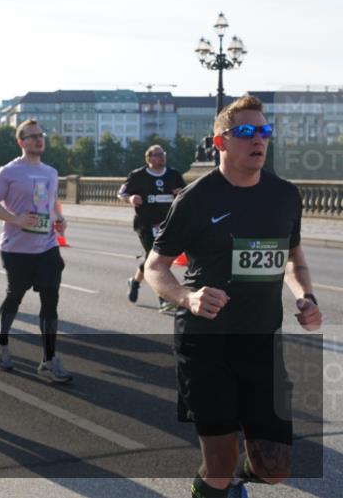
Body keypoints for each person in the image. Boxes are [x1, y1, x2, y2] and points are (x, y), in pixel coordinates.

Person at [144, 95, 321, 498]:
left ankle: (236, 479)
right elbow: (155, 266)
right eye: (245, 131)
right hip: (207, 343)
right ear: (220, 142)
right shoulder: (195, 199)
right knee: (219, 464)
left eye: (264, 131)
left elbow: (293, 258)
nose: (258, 139)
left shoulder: (285, 195)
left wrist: (305, 296)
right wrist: (187, 297)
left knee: (274, 469)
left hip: (261, 342)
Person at [0, 120, 72, 382]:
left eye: (41, 135)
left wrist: (59, 219)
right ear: (21, 142)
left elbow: (52, 201)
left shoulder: (51, 172)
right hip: (16, 249)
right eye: (32, 136)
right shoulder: (9, 171)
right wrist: (16, 219)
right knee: (15, 296)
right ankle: (1, 342)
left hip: (47, 247)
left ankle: (49, 358)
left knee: (50, 300)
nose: (38, 140)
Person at [118, 144, 185, 311]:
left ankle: (134, 281)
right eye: (157, 154)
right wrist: (131, 198)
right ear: (148, 158)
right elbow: (121, 193)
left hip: (167, 223)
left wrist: (180, 193)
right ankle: (163, 298)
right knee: (156, 258)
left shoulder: (173, 174)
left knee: (155, 259)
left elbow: (186, 192)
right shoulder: (138, 175)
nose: (161, 157)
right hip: (146, 223)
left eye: (163, 154)